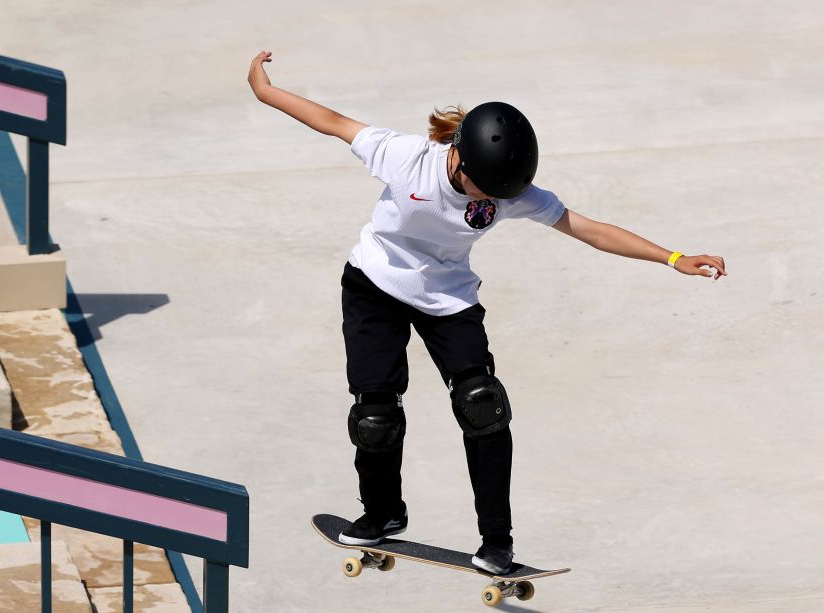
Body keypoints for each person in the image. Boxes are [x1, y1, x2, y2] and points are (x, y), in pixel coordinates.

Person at [248, 51, 726, 575]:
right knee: (375, 415)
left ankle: (497, 543)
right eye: (489, 191)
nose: (496, 202)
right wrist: (264, 90)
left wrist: (674, 257)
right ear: (459, 158)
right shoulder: (405, 156)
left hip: (449, 298)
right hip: (374, 285)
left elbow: (588, 228)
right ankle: (382, 514)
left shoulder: (510, 191)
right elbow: (332, 122)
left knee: (483, 405)